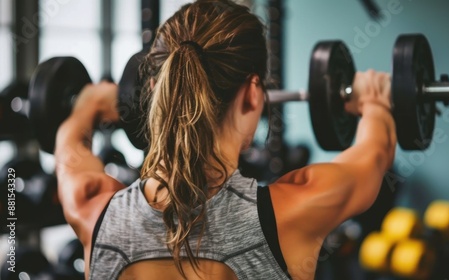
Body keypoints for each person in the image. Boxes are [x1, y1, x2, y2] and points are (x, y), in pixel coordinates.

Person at [54, 0, 396, 279]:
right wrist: (374, 102)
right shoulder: (295, 210)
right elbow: (375, 155)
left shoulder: (93, 210)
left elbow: (69, 146)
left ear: (156, 90)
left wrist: (88, 106)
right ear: (252, 95)